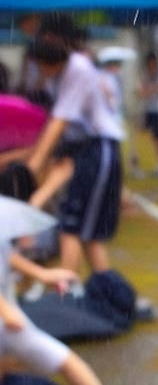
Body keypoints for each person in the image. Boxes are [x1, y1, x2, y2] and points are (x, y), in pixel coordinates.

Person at [0, 192, 138, 385]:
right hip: (9, 321)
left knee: (68, 362)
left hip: (9, 324)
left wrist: (42, 274)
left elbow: (8, 257)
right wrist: (7, 311)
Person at [25, 36, 125, 278]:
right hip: (78, 149)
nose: (38, 71)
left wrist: (31, 167)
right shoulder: (57, 75)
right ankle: (103, 289)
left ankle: (68, 292)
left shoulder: (77, 69)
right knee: (85, 232)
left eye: (39, 65)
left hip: (98, 148)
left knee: (74, 228)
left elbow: (59, 122)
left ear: (49, 61)